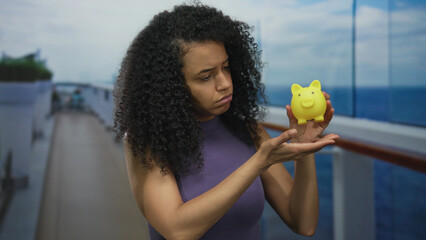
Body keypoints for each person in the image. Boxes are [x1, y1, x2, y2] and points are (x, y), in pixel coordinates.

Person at [113, 3, 339, 240]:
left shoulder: (248, 131)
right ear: (171, 87)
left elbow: (303, 223)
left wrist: (305, 149)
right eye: (206, 76)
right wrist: (258, 162)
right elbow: (178, 230)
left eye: (226, 67)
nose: (225, 83)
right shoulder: (147, 143)